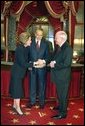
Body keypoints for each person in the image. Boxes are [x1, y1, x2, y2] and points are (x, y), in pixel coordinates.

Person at [49, 31, 73, 119]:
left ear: (62, 38)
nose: (55, 39)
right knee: (60, 94)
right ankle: (60, 106)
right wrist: (53, 61)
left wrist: (54, 65)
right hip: (59, 76)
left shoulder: (68, 48)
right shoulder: (60, 47)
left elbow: (66, 64)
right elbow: (57, 58)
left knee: (63, 95)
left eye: (56, 37)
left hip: (63, 77)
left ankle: (62, 113)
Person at [9, 32, 32, 115]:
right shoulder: (20, 49)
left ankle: (15, 105)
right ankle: (18, 108)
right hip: (16, 73)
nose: (31, 41)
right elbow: (23, 63)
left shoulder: (25, 48)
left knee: (16, 89)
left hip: (19, 73)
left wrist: (31, 62)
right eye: (29, 39)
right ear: (25, 40)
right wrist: (34, 64)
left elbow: (27, 59)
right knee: (17, 90)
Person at [27, 28, 49, 109]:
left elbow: (48, 57)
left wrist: (43, 61)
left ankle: (41, 103)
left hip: (41, 69)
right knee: (32, 85)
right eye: (38, 35)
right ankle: (32, 102)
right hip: (32, 68)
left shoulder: (46, 44)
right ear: (35, 34)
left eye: (41, 35)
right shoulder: (30, 42)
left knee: (41, 86)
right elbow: (27, 55)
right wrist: (29, 65)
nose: (40, 36)